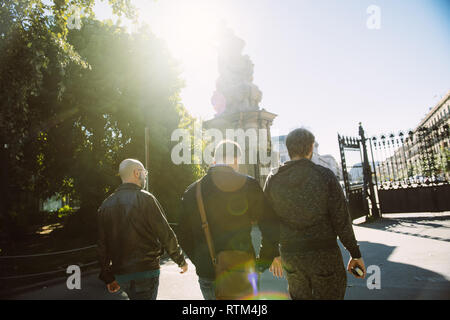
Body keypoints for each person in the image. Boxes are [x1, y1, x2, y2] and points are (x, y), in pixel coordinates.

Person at [264, 128, 366, 300]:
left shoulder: (273, 178)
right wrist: (355, 253)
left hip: (291, 255)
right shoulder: (325, 176)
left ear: (289, 150)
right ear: (311, 148)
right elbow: (341, 220)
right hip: (325, 254)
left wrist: (272, 252)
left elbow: (267, 220)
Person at [176, 140, 279, 300]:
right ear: (236, 159)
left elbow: (182, 233)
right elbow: (270, 225)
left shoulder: (193, 191)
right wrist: (264, 260)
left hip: (209, 274)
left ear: (215, 159)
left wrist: (201, 263)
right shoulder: (249, 185)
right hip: (243, 269)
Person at [97, 158, 188, 300]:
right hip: (145, 272)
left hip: (121, 275)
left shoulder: (106, 205)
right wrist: (180, 259)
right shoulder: (146, 199)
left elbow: (102, 245)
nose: (145, 175)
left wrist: (108, 277)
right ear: (136, 173)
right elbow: (165, 233)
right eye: (144, 172)